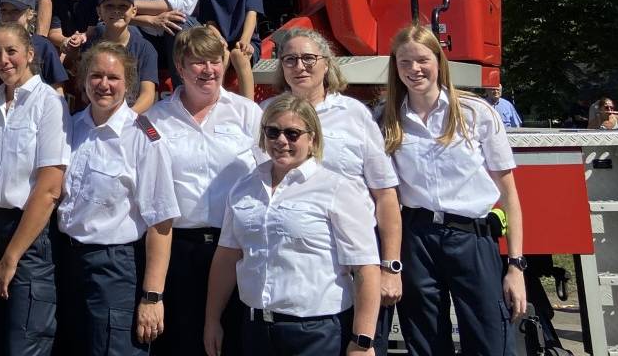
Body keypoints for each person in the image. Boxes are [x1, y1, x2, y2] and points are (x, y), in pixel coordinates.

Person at [381, 24, 527, 356]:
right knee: (426, 342)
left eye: (422, 60)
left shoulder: (476, 113)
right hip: (416, 239)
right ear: (395, 67)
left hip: (471, 238)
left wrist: (516, 267)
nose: (414, 69)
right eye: (404, 62)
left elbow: (510, 196)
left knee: (490, 340)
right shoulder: (388, 120)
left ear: (438, 61)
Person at [203, 94, 381, 356]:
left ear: (313, 139)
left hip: (316, 333)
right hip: (255, 329)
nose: (281, 141)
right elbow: (228, 257)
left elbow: (365, 266)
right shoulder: (244, 188)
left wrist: (363, 341)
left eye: (293, 133)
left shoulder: (337, 188)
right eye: (273, 132)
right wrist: (212, 321)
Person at [266, 27, 403, 356]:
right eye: (290, 59)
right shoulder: (266, 114)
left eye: (309, 58)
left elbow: (385, 195)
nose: (300, 66)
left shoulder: (354, 116)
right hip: (296, 271)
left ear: (327, 64)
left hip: (358, 267)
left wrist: (390, 267)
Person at [142, 25, 260, 356]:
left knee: (234, 342)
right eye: (197, 62)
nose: (208, 70)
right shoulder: (154, 120)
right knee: (183, 342)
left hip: (236, 249)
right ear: (179, 67)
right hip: (180, 250)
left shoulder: (247, 114)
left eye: (215, 61)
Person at [57, 42, 180, 356]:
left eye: (113, 77)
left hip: (114, 268)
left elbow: (161, 223)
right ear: (84, 80)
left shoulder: (143, 137)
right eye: (96, 75)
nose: (104, 84)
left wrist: (153, 297)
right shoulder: (70, 128)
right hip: (67, 262)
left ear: (129, 85)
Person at [0, 23, 72, 356]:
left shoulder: (49, 104)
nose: (4, 60)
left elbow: (49, 189)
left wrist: (11, 257)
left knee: (25, 345)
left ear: (30, 54)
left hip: (29, 238)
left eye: (11, 51)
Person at [71, 0, 159, 113]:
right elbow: (84, 92)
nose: (116, 10)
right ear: (99, 11)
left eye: (123, 6)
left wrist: (125, 119)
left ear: (134, 11)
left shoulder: (145, 49)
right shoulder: (90, 45)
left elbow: (148, 95)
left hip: (131, 118)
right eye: (109, 6)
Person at [195, 0, 263, 101]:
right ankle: (215, 100)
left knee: (238, 55)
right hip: (220, 41)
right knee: (221, 56)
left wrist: (245, 40)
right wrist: (218, 38)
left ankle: (249, 104)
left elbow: (252, 13)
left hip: (246, 41)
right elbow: (209, 22)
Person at [0, 0, 71, 91]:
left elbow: (57, 88)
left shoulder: (43, 45)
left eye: (15, 11)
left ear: (30, 14)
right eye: (3, 11)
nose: (8, 16)